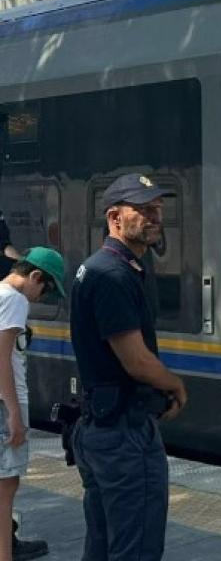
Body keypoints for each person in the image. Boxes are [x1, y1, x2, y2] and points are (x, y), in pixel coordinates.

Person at [70, 173, 188, 561]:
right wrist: (174, 384)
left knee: (104, 546)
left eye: (157, 209)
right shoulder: (112, 274)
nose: (154, 217)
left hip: (103, 428)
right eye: (143, 209)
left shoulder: (105, 267)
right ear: (114, 217)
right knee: (135, 547)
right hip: (123, 435)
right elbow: (135, 360)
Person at [0, 248, 62, 561]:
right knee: (6, 485)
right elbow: (2, 360)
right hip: (5, 404)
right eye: (46, 288)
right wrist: (14, 414)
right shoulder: (14, 300)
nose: (42, 296)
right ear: (35, 276)